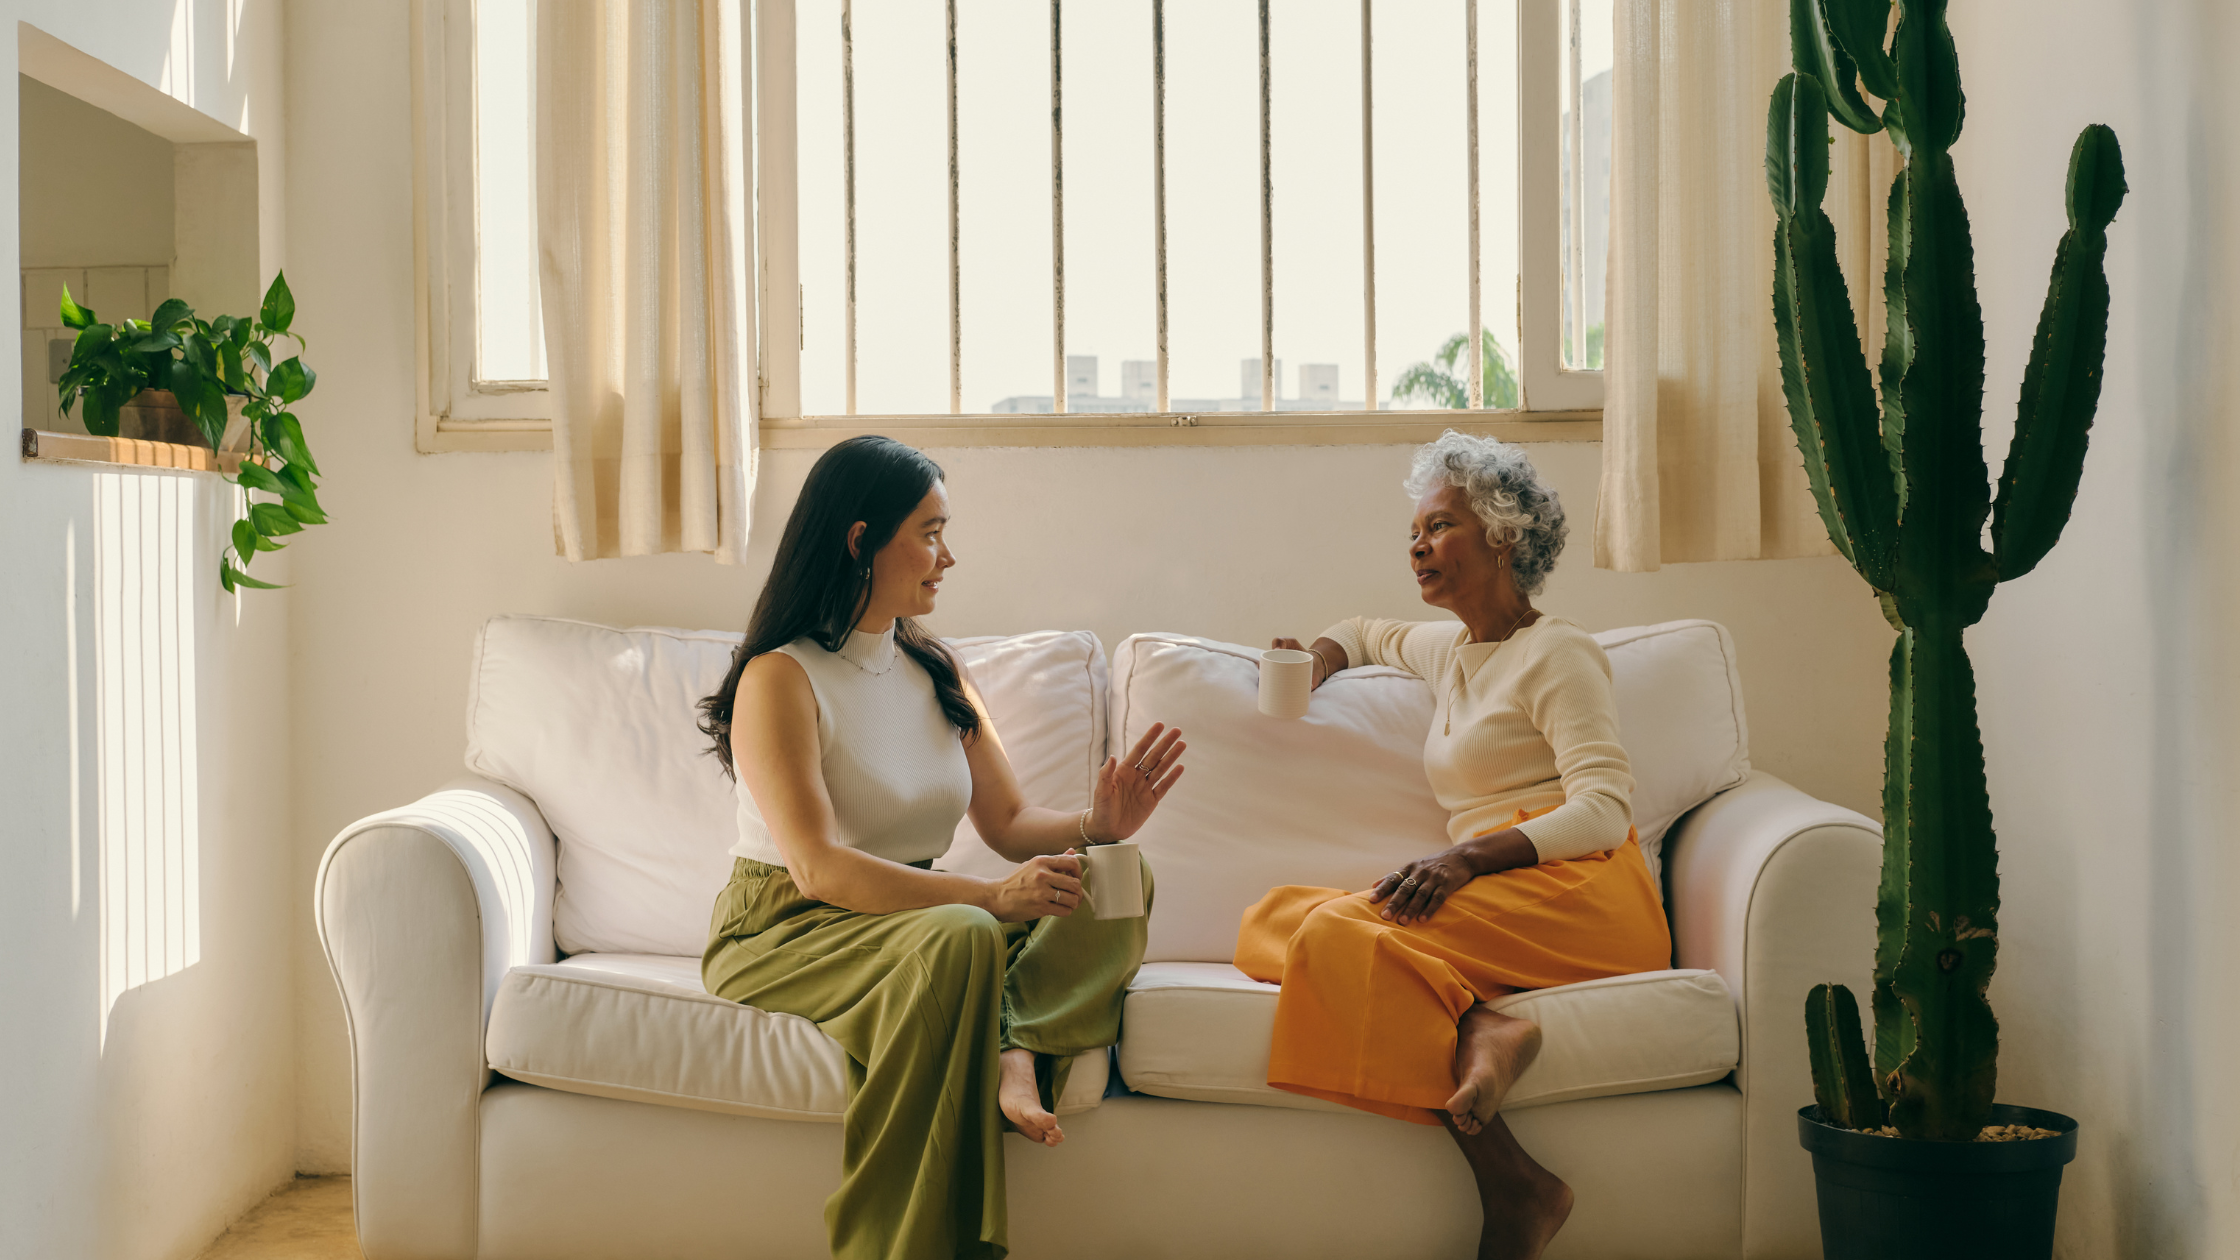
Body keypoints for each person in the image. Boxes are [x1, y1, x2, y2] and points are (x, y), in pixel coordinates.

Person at [696, 435, 1184, 1260]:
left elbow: (1009, 822)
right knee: (961, 934)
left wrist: (1097, 828)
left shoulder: (936, 671)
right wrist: (992, 900)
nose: (947, 556)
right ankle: (910, 1228)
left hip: (917, 915)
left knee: (1118, 878)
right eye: (929, 532)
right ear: (860, 540)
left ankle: (1013, 1043)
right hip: (789, 922)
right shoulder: (781, 676)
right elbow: (817, 868)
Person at [1238, 430, 1669, 1260]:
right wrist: (1318, 660)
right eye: (1414, 532)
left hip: (1578, 886)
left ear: (1502, 535)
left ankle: (1513, 1180)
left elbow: (1605, 811)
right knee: (1274, 919)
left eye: (1438, 527)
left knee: (1332, 935)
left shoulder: (1560, 652)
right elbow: (1363, 630)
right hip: (1492, 891)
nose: (1416, 545)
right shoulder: (1454, 649)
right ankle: (1480, 1026)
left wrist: (1467, 858)